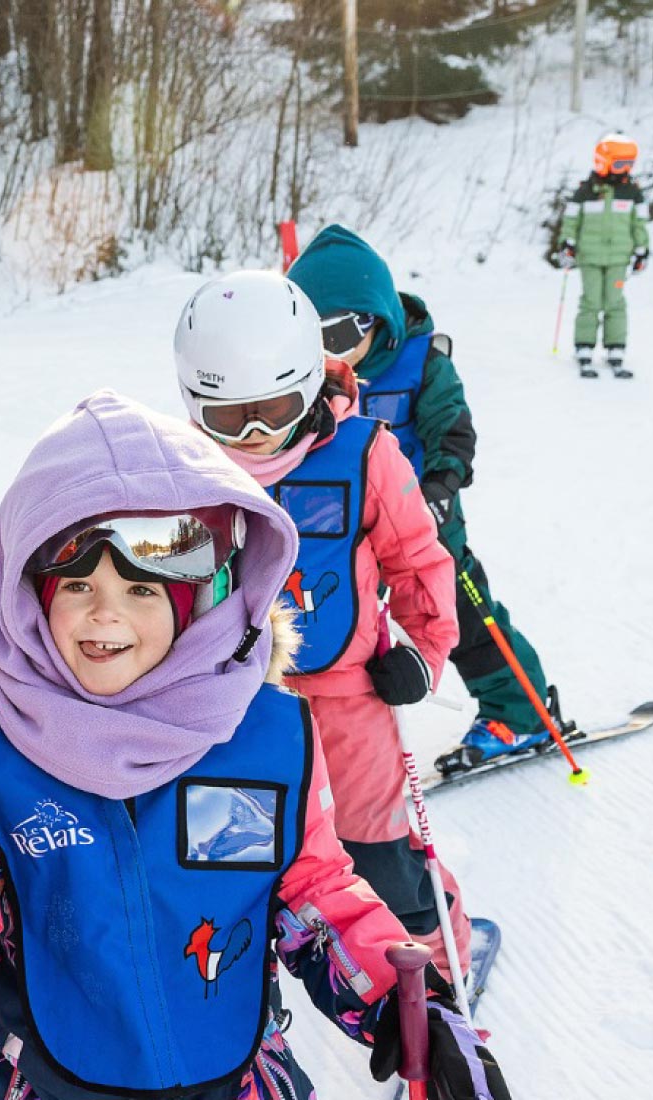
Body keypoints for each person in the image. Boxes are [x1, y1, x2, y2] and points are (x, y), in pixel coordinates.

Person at [0, 391, 510, 1100]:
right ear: (31, 598)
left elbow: (315, 892)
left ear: (197, 606)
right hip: (45, 1083)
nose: (102, 612)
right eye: (76, 584)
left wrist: (404, 999)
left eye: (142, 590)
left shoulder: (263, 737)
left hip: (236, 1076)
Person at [174, 271, 471, 962]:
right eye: (229, 418)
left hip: (352, 692)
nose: (256, 435)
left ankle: (432, 963)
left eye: (276, 407)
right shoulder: (185, 469)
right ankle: (247, 979)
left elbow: (418, 562)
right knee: (236, 853)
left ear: (309, 383)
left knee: (379, 854)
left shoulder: (365, 453)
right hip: (240, 705)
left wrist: (422, 655)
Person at [286, 225, 560, 776]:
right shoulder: (304, 378)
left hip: (422, 528)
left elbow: (453, 432)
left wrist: (439, 488)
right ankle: (336, 745)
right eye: (308, 337)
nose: (325, 355)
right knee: (340, 630)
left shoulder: (421, 363)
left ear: (376, 319)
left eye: (337, 336)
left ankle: (522, 712)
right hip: (346, 535)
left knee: (460, 618)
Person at [557, 131, 649, 378]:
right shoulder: (586, 190)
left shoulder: (632, 192)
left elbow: (639, 223)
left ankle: (615, 348)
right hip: (590, 256)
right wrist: (567, 244)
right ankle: (584, 346)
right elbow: (571, 220)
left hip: (619, 257)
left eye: (629, 164)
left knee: (615, 302)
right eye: (620, 164)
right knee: (591, 301)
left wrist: (642, 250)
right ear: (604, 161)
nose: (624, 169)